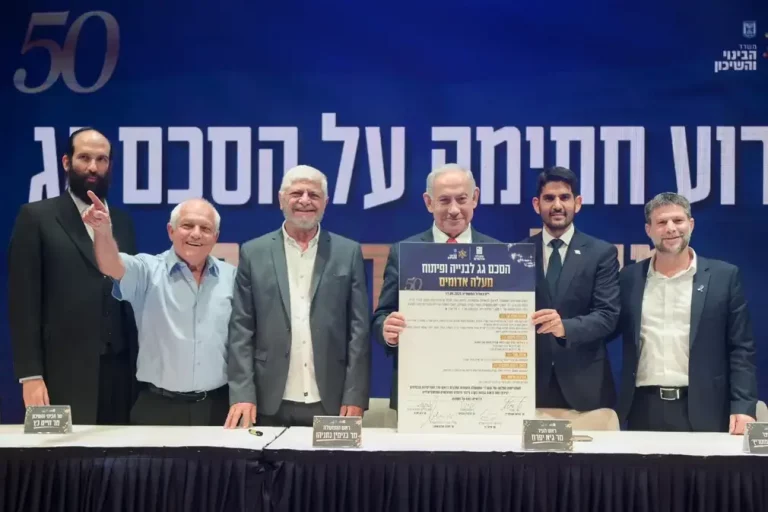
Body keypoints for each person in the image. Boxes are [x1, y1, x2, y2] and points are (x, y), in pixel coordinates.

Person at [8, 127, 138, 425]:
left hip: (119, 375)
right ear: (67, 162)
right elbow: (23, 303)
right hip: (59, 375)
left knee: (117, 464)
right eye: (84, 158)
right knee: (55, 462)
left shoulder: (122, 222)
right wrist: (30, 376)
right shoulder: (36, 217)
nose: (93, 167)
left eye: (101, 159)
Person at [225, 165, 370, 428]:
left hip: (334, 401)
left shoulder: (347, 252)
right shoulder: (253, 252)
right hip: (266, 400)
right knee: (263, 470)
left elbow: (358, 331)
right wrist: (243, 393)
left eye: (313, 195)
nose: (305, 200)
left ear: (325, 203)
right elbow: (241, 329)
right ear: (281, 199)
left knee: (333, 470)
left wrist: (355, 394)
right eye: (296, 193)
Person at [82, 192, 236, 426]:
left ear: (215, 237)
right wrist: (103, 231)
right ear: (170, 231)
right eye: (187, 225)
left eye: (205, 228)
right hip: (159, 408)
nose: (196, 233)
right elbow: (111, 263)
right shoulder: (146, 270)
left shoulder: (232, 277)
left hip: (217, 409)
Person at [615, 192, 756, 433]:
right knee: (646, 473)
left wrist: (743, 406)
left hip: (707, 408)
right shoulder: (629, 279)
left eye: (678, 221)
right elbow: (603, 325)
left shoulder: (724, 277)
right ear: (648, 229)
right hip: (643, 408)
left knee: (706, 473)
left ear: (691, 224)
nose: (671, 228)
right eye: (661, 222)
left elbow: (741, 348)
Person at [372, 163, 499, 410]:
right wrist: (386, 330)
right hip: (419, 389)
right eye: (444, 201)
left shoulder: (499, 254)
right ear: (429, 203)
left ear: (475, 198)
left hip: (482, 391)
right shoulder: (404, 252)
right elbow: (381, 316)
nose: (454, 210)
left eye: (461, 199)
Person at [520, 166, 620, 412]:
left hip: (585, 385)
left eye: (564, 197)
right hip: (528, 385)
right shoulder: (517, 253)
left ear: (577, 203)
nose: (557, 205)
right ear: (536, 204)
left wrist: (565, 327)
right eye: (549, 198)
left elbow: (608, 316)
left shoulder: (601, 253)